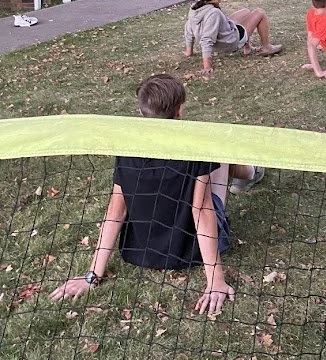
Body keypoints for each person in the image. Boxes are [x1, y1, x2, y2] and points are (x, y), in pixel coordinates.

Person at [48, 74, 263, 316]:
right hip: (191, 252)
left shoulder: (126, 148)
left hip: (140, 253)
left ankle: (251, 171)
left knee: (209, 160)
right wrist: (215, 280)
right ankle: (253, 172)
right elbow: (201, 211)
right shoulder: (198, 146)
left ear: (142, 112)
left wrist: (92, 275)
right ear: (180, 111)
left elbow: (116, 210)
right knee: (219, 152)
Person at [184, 0, 282, 72]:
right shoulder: (214, 13)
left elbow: (189, 28)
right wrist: (207, 67)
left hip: (223, 35)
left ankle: (248, 48)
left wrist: (189, 51)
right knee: (260, 12)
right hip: (230, 42)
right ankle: (266, 47)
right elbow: (207, 39)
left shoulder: (195, 8)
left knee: (245, 11)